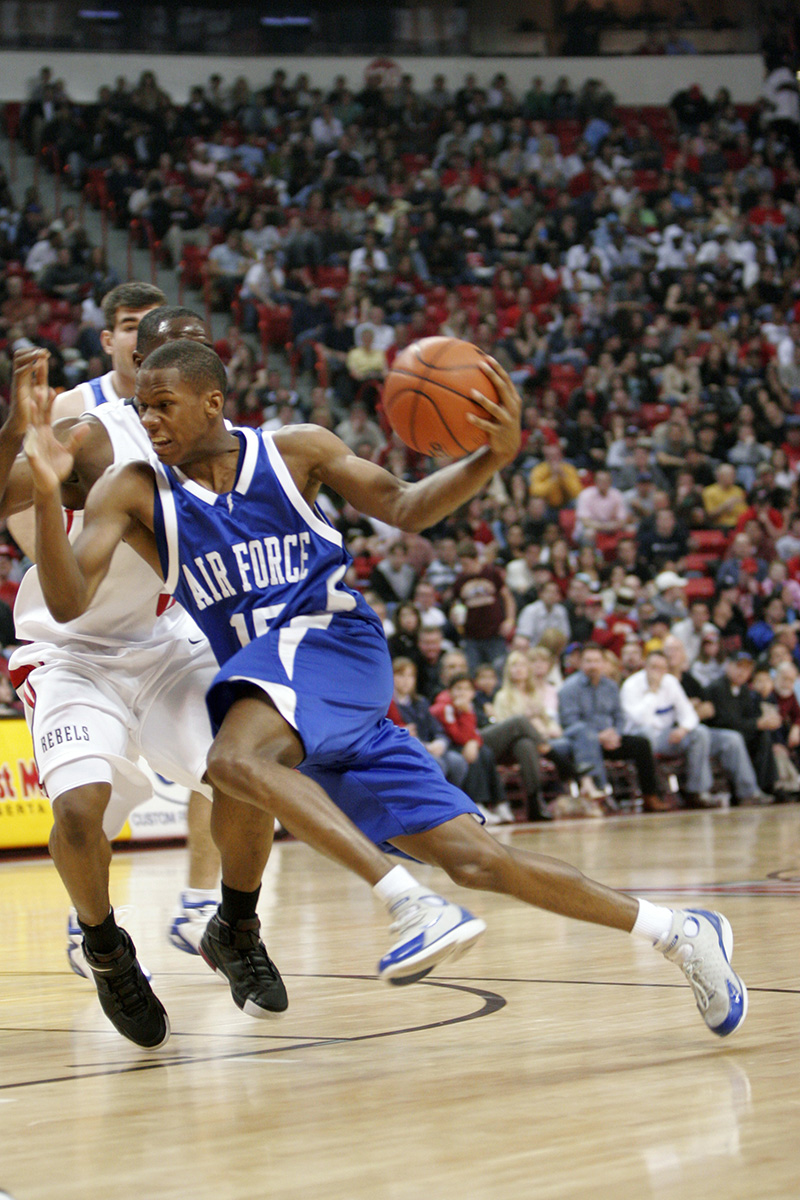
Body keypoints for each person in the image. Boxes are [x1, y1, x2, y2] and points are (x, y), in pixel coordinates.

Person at [25, 341, 747, 1041]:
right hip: (285, 696)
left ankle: (410, 907)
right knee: (476, 860)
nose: (147, 422)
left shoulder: (293, 450)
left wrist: (490, 457)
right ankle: (679, 932)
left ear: (213, 402)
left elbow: (404, 505)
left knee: (232, 761)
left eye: (163, 406)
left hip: (332, 644)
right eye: (140, 408)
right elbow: (65, 602)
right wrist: (54, 493)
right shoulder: (133, 490)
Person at [0, 300, 224, 985]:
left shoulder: (219, 436)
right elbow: (16, 496)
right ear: (119, 344)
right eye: (134, 327)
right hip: (73, 638)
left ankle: (209, 908)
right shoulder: (80, 411)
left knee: (240, 765)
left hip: (162, 635)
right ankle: (99, 930)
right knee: (84, 806)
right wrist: (48, 544)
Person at [558, 643, 673, 812]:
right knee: (587, 737)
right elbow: (569, 721)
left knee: (641, 744)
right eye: (588, 661)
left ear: (603, 663)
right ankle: (599, 795)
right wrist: (598, 735)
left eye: (597, 661)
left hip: (611, 739)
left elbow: (619, 717)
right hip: (583, 741)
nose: (593, 666)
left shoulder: (610, 686)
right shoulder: (569, 688)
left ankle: (650, 796)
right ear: (581, 663)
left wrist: (616, 734)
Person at [620, 650, 717, 808]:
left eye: (661, 668)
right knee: (647, 735)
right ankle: (655, 793)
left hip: (667, 737)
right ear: (644, 666)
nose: (657, 672)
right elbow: (641, 721)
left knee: (700, 732)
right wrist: (652, 691)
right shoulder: (631, 685)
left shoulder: (671, 682)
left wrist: (683, 729)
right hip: (640, 739)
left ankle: (696, 792)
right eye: (653, 667)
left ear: (667, 669)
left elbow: (688, 714)